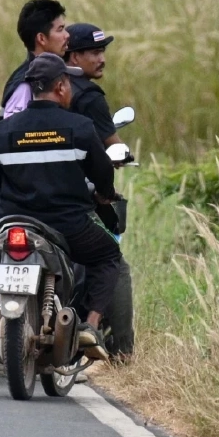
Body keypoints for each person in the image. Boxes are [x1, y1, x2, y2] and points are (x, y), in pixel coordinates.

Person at [0, 53, 123, 361]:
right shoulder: (79, 128)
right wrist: (105, 194)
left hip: (14, 222)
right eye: (68, 81)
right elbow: (102, 173)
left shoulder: (3, 131)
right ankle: (90, 326)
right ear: (61, 86)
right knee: (109, 255)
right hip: (67, 226)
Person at [64, 23, 135, 360]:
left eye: (103, 50)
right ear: (73, 55)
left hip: (21, 201)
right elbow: (110, 147)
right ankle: (122, 352)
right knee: (113, 263)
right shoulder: (89, 97)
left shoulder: (28, 87)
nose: (101, 58)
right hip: (74, 202)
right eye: (94, 52)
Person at [0, 0, 70, 121]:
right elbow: (13, 133)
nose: (67, 35)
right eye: (60, 30)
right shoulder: (24, 85)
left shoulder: (56, 73)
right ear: (41, 38)